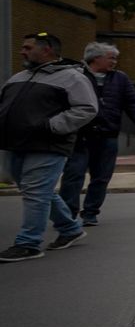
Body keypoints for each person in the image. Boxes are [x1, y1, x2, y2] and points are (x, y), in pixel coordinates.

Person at [0, 33, 98, 262]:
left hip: (48, 145)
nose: (22, 51)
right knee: (36, 191)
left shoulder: (72, 77)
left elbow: (87, 108)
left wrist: (51, 126)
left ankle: (29, 243)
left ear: (47, 50)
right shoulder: (19, 77)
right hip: (16, 143)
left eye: (28, 47)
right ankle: (70, 228)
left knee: (36, 192)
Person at [58, 41, 135, 226]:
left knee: (101, 177)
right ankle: (68, 214)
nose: (115, 62)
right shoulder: (75, 76)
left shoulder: (120, 78)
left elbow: (133, 103)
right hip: (80, 136)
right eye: (112, 58)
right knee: (73, 175)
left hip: (108, 136)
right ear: (96, 58)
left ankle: (90, 213)